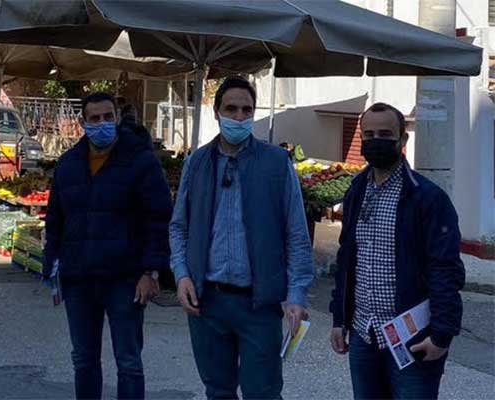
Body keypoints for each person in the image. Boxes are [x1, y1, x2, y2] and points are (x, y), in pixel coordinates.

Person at [169, 76, 314, 399]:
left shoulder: (277, 163)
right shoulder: (197, 163)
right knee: (217, 390)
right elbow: (179, 226)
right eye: (231, 109)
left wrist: (296, 295)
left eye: (246, 110)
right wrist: (181, 275)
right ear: (216, 112)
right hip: (208, 302)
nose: (239, 117)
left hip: (258, 304)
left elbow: (296, 233)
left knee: (262, 392)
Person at [329, 102, 465, 400]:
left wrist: (441, 335)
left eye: (385, 134)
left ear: (403, 138)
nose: (375, 141)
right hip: (364, 333)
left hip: (412, 337)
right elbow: (346, 259)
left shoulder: (427, 198)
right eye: (368, 135)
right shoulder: (356, 191)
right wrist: (339, 319)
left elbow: (446, 270)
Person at [43, 92, 173, 400]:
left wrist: (151, 272)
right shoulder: (68, 164)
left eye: (107, 117)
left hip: (125, 279)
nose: (102, 123)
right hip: (79, 279)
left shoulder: (141, 162)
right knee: (83, 359)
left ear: (117, 118)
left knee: (128, 362)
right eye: (95, 118)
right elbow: (55, 220)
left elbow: (159, 219)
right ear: (83, 122)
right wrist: (52, 266)